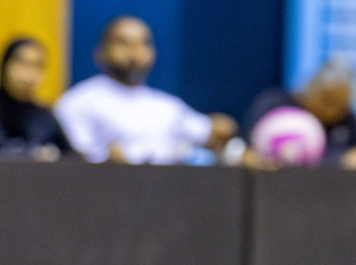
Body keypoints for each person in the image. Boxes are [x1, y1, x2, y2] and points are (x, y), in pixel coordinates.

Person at [55, 16, 237, 164]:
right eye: (123, 43)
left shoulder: (166, 106)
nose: (135, 51)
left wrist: (223, 128)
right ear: (100, 51)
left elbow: (212, 131)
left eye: (143, 43)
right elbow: (77, 157)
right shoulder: (77, 102)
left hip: (165, 195)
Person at [246, 59, 356, 169]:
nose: (330, 110)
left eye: (339, 105)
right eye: (326, 99)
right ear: (311, 87)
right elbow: (247, 151)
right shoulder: (276, 105)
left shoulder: (346, 120)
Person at [0, 37, 73, 156]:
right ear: (5, 65)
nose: (29, 72)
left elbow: (72, 159)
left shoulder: (44, 117)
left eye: (38, 65)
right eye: (23, 63)